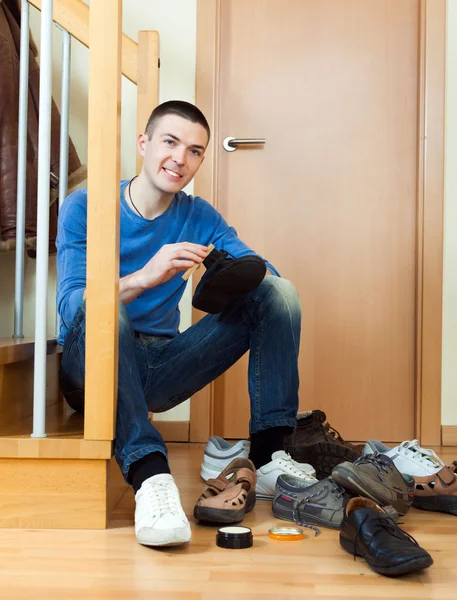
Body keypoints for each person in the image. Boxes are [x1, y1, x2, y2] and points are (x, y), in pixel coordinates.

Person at [56, 100, 311, 547]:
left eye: (194, 150)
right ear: (143, 143)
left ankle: (270, 456)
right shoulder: (87, 206)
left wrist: (233, 272)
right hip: (89, 364)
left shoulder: (198, 216)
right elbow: (71, 304)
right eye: (170, 142)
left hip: (160, 364)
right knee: (105, 305)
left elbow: (260, 268)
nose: (180, 158)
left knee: (280, 293)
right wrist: (143, 277)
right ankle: (151, 476)